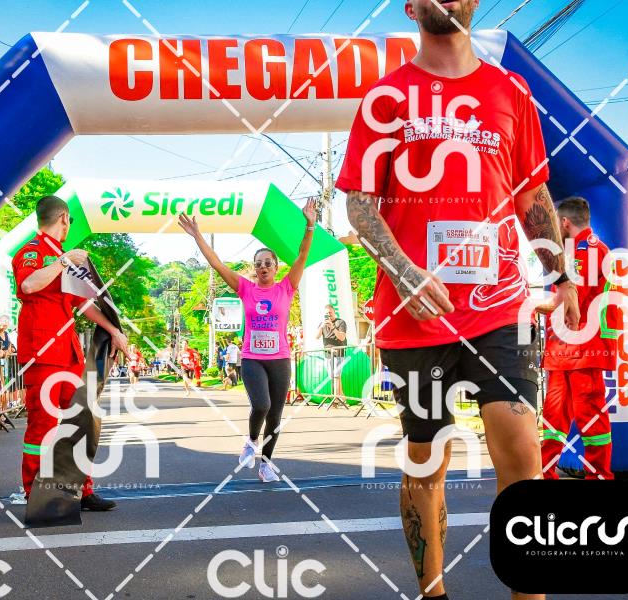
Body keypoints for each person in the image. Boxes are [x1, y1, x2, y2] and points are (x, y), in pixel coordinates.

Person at [336, 2, 580, 598]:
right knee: (427, 461)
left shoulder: (511, 91)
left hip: (500, 305)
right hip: (416, 315)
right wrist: (404, 271)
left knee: (522, 453)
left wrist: (562, 276)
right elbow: (359, 204)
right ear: (410, 7)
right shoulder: (386, 97)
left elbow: (532, 197)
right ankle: (433, 592)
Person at [179, 199, 316, 483]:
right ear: (254, 269)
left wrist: (310, 225)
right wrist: (197, 236)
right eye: (258, 264)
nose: (263, 267)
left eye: (268, 263)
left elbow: (303, 255)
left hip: (280, 359)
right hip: (253, 359)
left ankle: (266, 464)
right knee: (262, 405)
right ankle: (252, 441)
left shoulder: (286, 287)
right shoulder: (245, 288)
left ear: (276, 267)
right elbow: (217, 263)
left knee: (276, 416)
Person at [12, 195, 129, 512]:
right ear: (63, 217)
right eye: (69, 221)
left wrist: (114, 331)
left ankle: (82, 490)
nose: (69, 226)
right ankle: (36, 495)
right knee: (43, 426)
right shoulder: (32, 252)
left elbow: (84, 304)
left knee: (81, 421)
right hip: (42, 353)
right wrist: (63, 262)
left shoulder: (60, 256)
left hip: (68, 353)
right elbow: (29, 286)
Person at [536, 198, 617, 479]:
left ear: (564, 222)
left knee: (589, 415)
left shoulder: (586, 251)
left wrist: (522, 303)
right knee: (554, 415)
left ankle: (599, 476)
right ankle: (544, 472)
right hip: (568, 348)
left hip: (583, 348)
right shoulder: (582, 251)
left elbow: (570, 300)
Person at [316, 304, 347, 401]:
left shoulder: (340, 322)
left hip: (338, 353)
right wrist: (321, 327)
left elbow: (342, 337)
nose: (329, 315)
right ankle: (343, 398)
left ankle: (335, 400)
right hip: (328, 354)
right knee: (333, 377)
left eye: (330, 312)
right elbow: (316, 337)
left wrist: (333, 327)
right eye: (327, 313)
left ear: (334, 312)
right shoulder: (322, 323)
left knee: (336, 376)